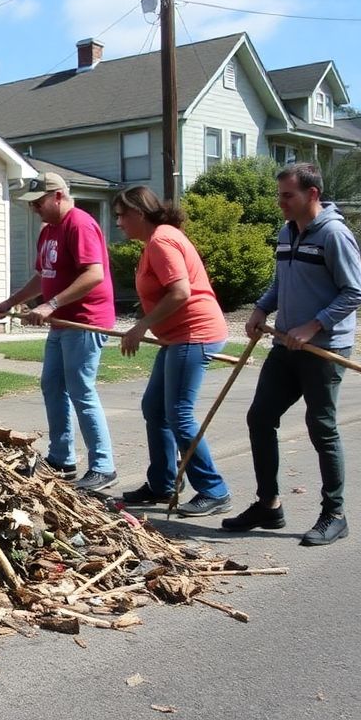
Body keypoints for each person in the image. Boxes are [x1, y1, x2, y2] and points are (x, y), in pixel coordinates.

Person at [222, 162, 361, 546]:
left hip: (325, 350)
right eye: (280, 195)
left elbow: (355, 292)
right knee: (260, 417)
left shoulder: (334, 234)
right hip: (285, 344)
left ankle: (334, 514)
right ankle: (268, 505)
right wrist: (260, 308)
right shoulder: (287, 231)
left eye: (288, 195)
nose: (280, 203)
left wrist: (314, 325)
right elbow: (281, 281)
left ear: (312, 194)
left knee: (321, 427)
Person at [0, 172, 118, 491]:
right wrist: (11, 301)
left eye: (39, 202)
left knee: (81, 390)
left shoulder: (80, 224)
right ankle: (62, 458)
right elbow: (42, 277)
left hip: (85, 321)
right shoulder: (48, 231)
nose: (35, 209)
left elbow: (94, 275)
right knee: (52, 385)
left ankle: (103, 465)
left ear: (58, 196)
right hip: (61, 321)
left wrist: (51, 305)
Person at [111, 186, 232, 516]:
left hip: (194, 333)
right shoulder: (155, 241)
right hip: (177, 336)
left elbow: (180, 292)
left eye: (122, 215)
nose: (119, 222)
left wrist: (141, 326)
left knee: (178, 412)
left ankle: (213, 489)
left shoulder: (162, 240)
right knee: (154, 407)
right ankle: (163, 484)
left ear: (139, 212)